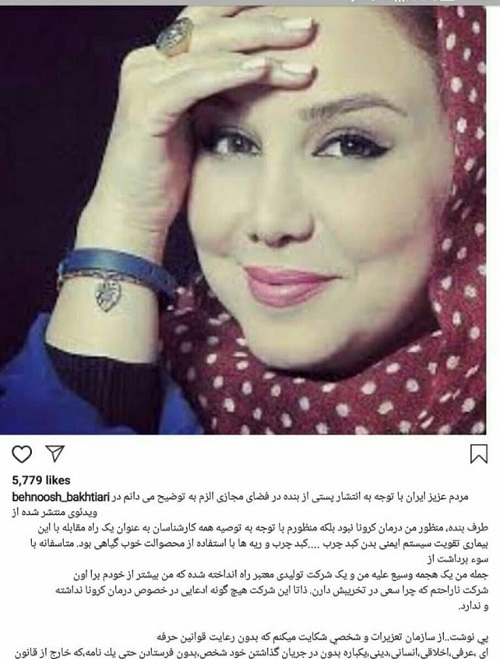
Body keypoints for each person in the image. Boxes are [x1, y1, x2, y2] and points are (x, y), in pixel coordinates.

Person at [0, 5, 486, 435]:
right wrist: (125, 218)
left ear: (475, 160)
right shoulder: (167, 353)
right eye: (232, 141)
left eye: (349, 145)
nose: (270, 221)